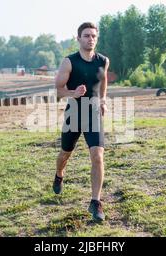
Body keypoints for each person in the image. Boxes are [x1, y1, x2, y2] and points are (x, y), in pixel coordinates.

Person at [53, 22, 109, 221]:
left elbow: (103, 81)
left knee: (98, 156)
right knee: (65, 153)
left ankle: (95, 202)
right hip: (74, 113)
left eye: (93, 36)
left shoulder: (103, 60)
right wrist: (72, 93)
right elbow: (59, 91)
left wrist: (102, 100)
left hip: (93, 113)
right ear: (78, 38)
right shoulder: (69, 62)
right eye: (86, 36)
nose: (90, 39)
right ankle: (59, 173)